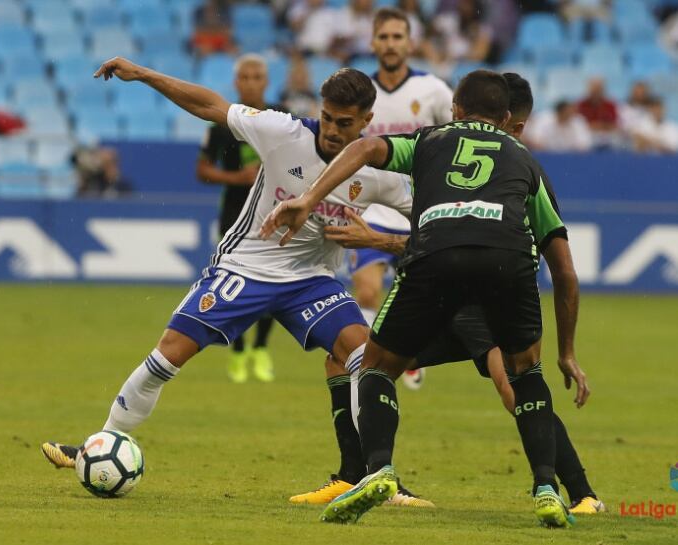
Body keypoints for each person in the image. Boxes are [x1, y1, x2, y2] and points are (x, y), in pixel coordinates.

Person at [41, 57, 428, 508]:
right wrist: (147, 74)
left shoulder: (378, 174)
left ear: (367, 122)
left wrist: (379, 239)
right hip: (246, 267)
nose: (332, 130)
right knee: (169, 353)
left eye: (345, 123)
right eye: (326, 117)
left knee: (366, 357)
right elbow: (211, 106)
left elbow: (432, 223)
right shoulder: (284, 132)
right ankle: (102, 441)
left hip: (312, 280)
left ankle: (377, 479)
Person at [261, 70, 591, 527]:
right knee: (524, 373)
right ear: (509, 118)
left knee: (374, 365)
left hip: (436, 260)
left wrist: (310, 197)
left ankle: (378, 470)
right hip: (506, 266)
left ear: (455, 108)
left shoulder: (431, 140)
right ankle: (546, 490)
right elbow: (566, 272)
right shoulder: (526, 161)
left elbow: (365, 147)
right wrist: (568, 353)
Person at [355, 7, 452, 392]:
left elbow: (458, 139)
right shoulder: (359, 90)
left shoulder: (433, 90)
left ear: (410, 43)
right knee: (365, 290)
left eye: (398, 37)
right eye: (384, 37)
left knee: (427, 296)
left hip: (420, 207)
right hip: (371, 204)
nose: (391, 44)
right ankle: (367, 367)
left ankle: (409, 354)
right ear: (372, 42)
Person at [196, 54, 277, 383]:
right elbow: (201, 170)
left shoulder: (280, 118)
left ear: (266, 81)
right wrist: (238, 179)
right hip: (234, 212)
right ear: (236, 82)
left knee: (274, 280)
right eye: (245, 77)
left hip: (273, 211)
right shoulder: (221, 123)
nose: (251, 82)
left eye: (257, 76)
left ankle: (260, 347)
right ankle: (239, 348)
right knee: (231, 282)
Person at [524, 100, 593, 152]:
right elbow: (535, 140)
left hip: (571, 157)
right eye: (567, 112)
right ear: (560, 112)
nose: (571, 115)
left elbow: (585, 144)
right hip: (546, 155)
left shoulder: (578, 122)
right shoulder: (544, 119)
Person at [577, 77, 619, 149]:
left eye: (598, 89)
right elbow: (577, 125)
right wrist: (599, 125)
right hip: (587, 136)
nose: (596, 92)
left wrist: (599, 126)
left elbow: (615, 125)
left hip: (607, 136)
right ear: (589, 90)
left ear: (603, 90)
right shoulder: (580, 105)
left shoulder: (610, 105)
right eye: (594, 89)